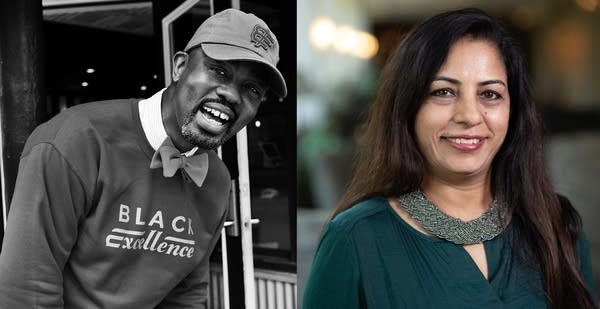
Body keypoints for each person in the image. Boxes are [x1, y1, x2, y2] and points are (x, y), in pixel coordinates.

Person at [303, 8, 597, 309]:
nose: (469, 116)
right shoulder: (354, 238)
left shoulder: (556, 225)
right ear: (408, 107)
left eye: (490, 94)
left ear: (514, 111)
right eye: (443, 92)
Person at [0, 8, 286, 308]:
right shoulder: (75, 140)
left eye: (252, 89)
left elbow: (186, 296)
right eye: (219, 70)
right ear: (179, 67)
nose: (231, 94)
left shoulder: (216, 179)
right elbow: (27, 291)